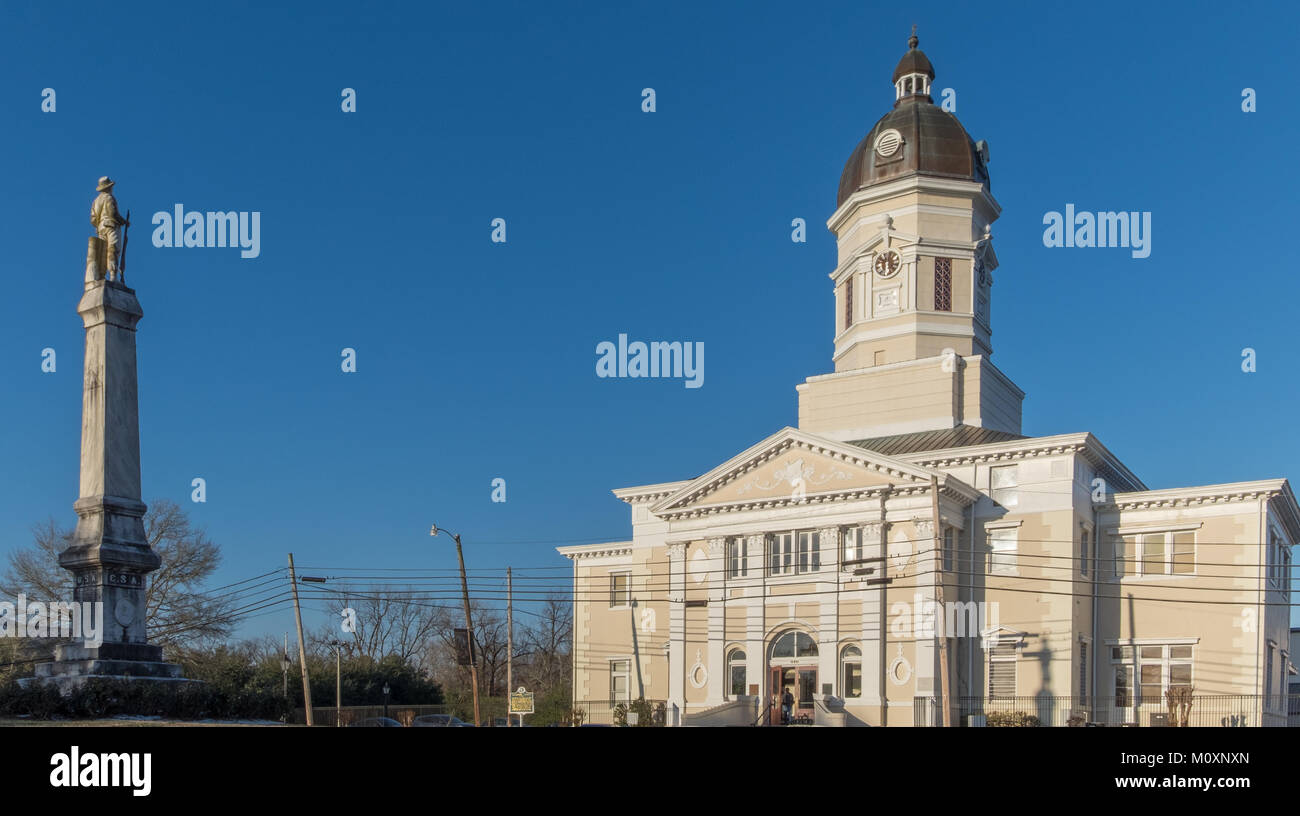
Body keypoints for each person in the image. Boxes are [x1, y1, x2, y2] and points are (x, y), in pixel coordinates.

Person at [90, 177, 130, 279]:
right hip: (111, 226)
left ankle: (101, 275)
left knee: (103, 252)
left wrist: (99, 225)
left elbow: (93, 219)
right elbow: (113, 214)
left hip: (101, 229)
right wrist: (124, 222)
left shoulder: (96, 201)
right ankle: (113, 275)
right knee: (113, 249)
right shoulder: (109, 198)